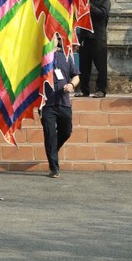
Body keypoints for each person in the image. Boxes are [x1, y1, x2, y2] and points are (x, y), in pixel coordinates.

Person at [41, 39, 80, 178]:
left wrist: (71, 85)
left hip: (63, 101)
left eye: (57, 39)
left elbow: (76, 75)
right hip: (46, 103)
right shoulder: (40, 57)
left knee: (67, 131)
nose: (55, 41)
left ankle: (53, 149)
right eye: (51, 38)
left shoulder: (67, 56)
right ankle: (54, 168)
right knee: (50, 134)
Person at [75, 0, 111, 98]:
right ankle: (84, 89)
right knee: (84, 66)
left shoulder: (105, 1)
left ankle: (101, 89)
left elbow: (102, 14)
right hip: (85, 37)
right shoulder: (88, 0)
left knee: (101, 66)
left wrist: (90, 7)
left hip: (98, 37)